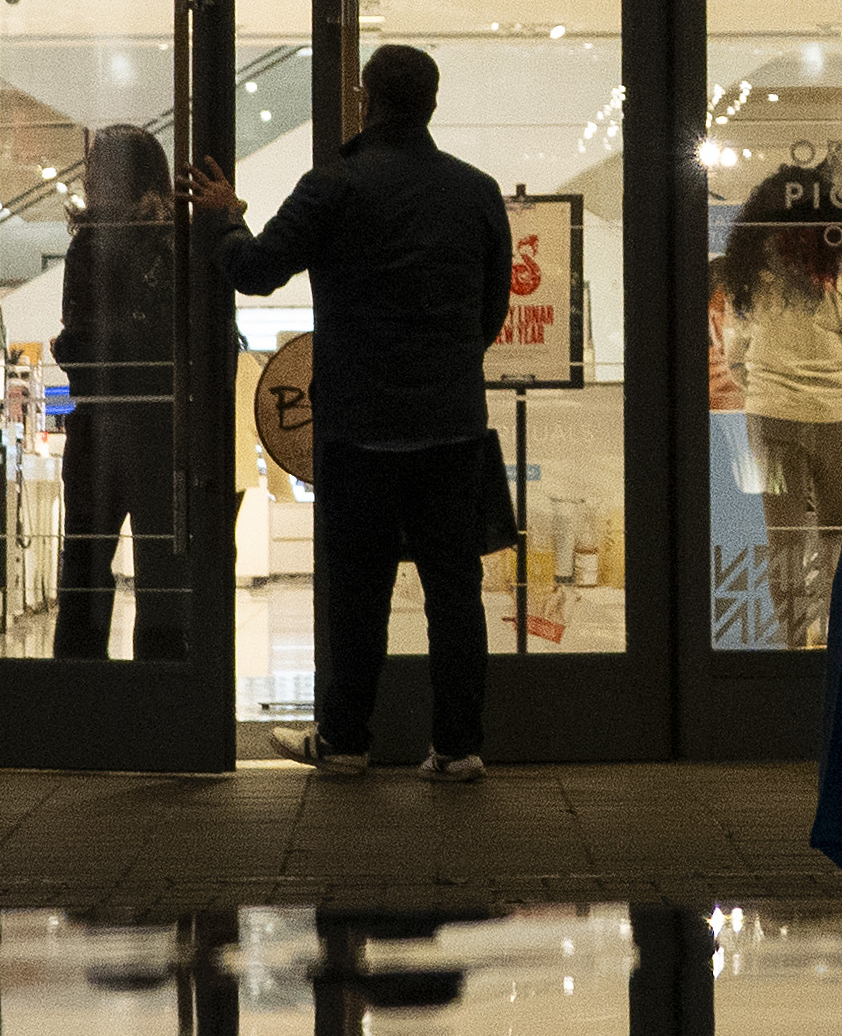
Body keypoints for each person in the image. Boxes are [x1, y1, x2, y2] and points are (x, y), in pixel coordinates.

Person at [186, 44, 512, 780]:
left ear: (366, 100)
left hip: (359, 428)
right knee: (454, 594)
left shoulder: (333, 184)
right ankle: (457, 748)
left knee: (356, 594)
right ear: (432, 103)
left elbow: (256, 271)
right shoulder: (476, 191)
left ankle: (345, 742)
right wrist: (447, 365)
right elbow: (489, 310)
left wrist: (228, 217)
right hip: (452, 424)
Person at [718, 164, 842, 650]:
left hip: (768, 417)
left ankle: (795, 645)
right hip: (834, 416)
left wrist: (766, 387)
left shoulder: (748, 270)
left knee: (786, 540)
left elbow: (735, 357)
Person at [51, 123, 190, 661]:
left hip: (99, 429)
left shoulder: (89, 245)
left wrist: (82, 347)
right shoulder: (172, 240)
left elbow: (79, 344)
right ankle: (158, 694)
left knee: (84, 568)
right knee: (161, 574)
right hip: (160, 429)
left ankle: (80, 690)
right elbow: (174, 343)